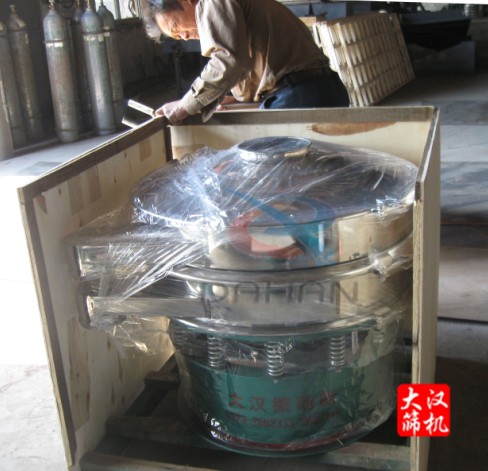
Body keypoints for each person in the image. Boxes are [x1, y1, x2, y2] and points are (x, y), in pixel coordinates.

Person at [142, 0, 350, 124]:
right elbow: (251, 65)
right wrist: (230, 99)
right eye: (177, 37)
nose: (185, 36)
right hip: (319, 88)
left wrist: (185, 105)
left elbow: (229, 61)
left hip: (301, 95)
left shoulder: (210, 2)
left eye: (177, 26)